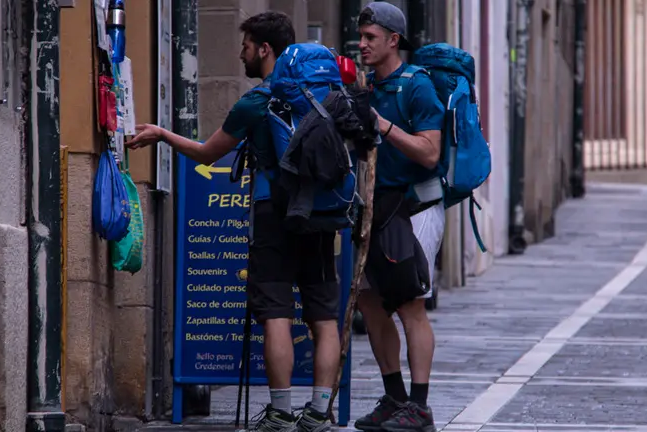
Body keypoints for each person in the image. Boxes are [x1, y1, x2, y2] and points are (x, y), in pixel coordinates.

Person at [125, 11, 339, 432]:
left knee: (276, 314)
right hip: (321, 215)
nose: (239, 54)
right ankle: (318, 413)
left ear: (264, 49)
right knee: (323, 317)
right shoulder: (325, 97)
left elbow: (207, 153)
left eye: (245, 46)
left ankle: (279, 413)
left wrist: (163, 134)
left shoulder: (258, 102)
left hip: (273, 214)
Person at [352, 2, 446, 432]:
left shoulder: (417, 86)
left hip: (417, 208)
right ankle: (395, 398)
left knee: (411, 305)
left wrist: (383, 125)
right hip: (377, 209)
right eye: (361, 37)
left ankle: (420, 406)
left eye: (371, 37)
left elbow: (430, 153)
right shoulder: (366, 87)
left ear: (394, 40)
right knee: (371, 303)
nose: (362, 44)